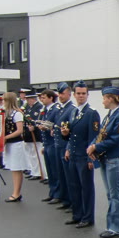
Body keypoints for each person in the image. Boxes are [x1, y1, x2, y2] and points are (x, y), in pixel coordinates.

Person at [87, 87, 119, 238]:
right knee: (110, 194)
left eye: (104, 98)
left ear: (111, 98)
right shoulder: (109, 116)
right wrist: (92, 146)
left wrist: (96, 147)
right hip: (106, 158)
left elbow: (117, 139)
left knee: (115, 194)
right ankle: (112, 226)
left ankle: (116, 228)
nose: (103, 101)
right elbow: (100, 135)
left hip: (114, 159)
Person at [63, 80, 99, 229]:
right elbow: (72, 134)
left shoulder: (91, 113)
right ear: (74, 94)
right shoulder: (74, 112)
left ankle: (87, 217)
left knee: (86, 188)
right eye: (78, 93)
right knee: (74, 186)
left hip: (84, 156)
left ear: (87, 95)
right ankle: (77, 215)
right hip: (73, 154)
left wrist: (91, 159)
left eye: (84, 93)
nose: (81, 96)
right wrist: (67, 146)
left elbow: (94, 137)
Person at [53, 82, 76, 211]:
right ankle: (65, 199)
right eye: (59, 93)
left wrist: (68, 147)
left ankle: (72, 202)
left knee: (69, 177)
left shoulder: (71, 109)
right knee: (61, 175)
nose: (60, 96)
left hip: (65, 145)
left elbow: (71, 131)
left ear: (69, 94)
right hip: (58, 145)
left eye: (62, 93)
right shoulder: (61, 108)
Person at [1, 92, 26, 202]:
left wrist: (6, 137)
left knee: (16, 168)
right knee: (12, 167)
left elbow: (19, 130)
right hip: (9, 144)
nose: (3, 102)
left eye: (4, 100)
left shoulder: (17, 114)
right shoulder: (5, 113)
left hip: (16, 144)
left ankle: (16, 193)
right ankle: (15, 192)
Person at [38, 90, 62, 203]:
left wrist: (47, 128)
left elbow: (56, 125)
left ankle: (58, 194)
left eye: (44, 97)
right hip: (47, 143)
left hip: (53, 143)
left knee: (55, 170)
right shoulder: (45, 110)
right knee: (49, 170)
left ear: (51, 98)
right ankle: (52, 192)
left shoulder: (55, 109)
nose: (41, 100)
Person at [23, 91, 44, 180]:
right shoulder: (27, 107)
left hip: (36, 134)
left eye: (28, 99)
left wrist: (34, 126)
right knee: (31, 154)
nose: (27, 101)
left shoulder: (39, 107)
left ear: (32, 99)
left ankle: (39, 172)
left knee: (37, 154)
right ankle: (33, 171)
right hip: (28, 134)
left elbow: (38, 120)